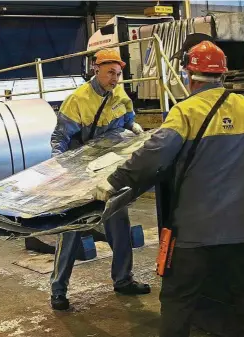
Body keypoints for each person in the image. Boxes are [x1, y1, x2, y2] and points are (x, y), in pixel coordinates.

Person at [94, 37, 244, 337]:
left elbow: (153, 155)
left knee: (178, 301)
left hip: (195, 231)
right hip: (238, 229)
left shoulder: (185, 112)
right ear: (222, 74)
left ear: (188, 74)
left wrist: (115, 180)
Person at [49, 48, 150, 311]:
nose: (115, 79)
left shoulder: (120, 94)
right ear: (96, 69)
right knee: (72, 230)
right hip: (80, 172)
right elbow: (60, 139)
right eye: (109, 73)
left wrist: (136, 130)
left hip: (110, 170)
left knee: (120, 225)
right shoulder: (78, 100)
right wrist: (60, 168)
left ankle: (123, 280)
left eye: (118, 74)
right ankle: (58, 290)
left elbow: (129, 122)